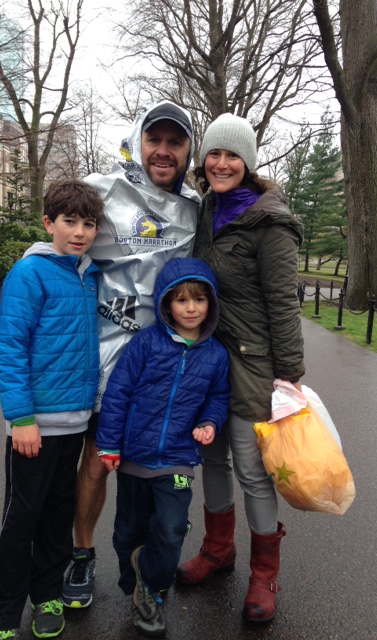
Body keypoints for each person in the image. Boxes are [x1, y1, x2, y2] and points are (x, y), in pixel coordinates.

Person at [61, 101, 200, 609]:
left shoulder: (194, 208)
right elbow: (62, 231)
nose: (163, 151)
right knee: (97, 462)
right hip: (104, 354)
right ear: (139, 141)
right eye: (155, 140)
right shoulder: (104, 189)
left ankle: (145, 572)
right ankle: (81, 556)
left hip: (163, 364)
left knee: (155, 473)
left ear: (188, 150)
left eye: (175, 142)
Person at [175, 114, 305, 623]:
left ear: (248, 162)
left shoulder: (269, 221)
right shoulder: (205, 209)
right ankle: (218, 550)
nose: (222, 163)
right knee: (211, 459)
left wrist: (289, 376)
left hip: (253, 366)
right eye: (214, 154)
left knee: (253, 472)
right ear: (203, 160)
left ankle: (263, 576)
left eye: (232, 156)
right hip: (206, 361)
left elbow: (283, 304)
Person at [0, 179, 102, 640]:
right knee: (22, 518)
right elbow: (11, 348)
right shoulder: (29, 273)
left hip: (74, 421)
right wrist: (23, 419)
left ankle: (47, 593)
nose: (79, 232)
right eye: (69, 221)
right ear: (48, 223)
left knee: (58, 512)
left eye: (88, 224)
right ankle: (2, 613)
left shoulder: (87, 273)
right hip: (34, 427)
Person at [96, 257, 229, 637]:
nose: (191, 308)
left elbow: (217, 398)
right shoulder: (145, 344)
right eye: (182, 300)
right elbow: (118, 393)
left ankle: (151, 587)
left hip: (177, 460)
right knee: (128, 532)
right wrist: (108, 444)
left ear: (211, 304)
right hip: (134, 456)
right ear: (166, 304)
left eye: (200, 300)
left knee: (171, 529)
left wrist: (208, 423)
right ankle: (140, 580)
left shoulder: (216, 354)